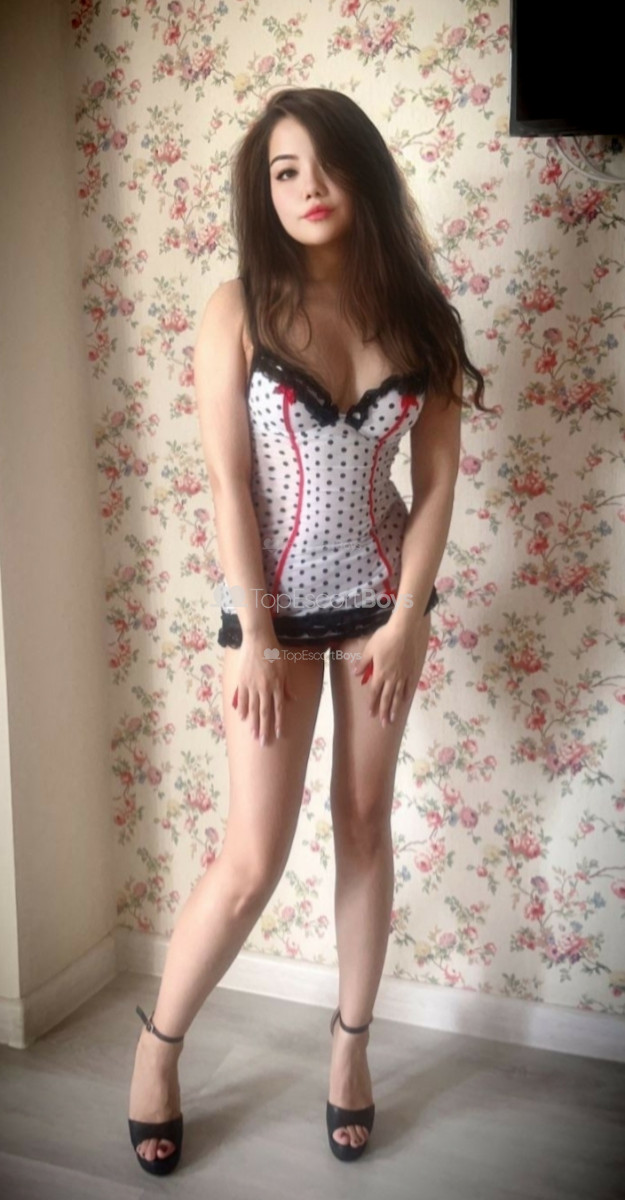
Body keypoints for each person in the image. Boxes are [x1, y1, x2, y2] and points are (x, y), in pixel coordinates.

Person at [128, 85, 486, 1177]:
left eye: (325, 164)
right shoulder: (235, 308)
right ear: (265, 190)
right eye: (285, 170)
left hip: (382, 607)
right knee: (251, 858)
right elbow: (229, 484)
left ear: (361, 172)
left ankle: (349, 1048)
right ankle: (157, 1049)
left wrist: (409, 619)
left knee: (364, 823)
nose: (308, 186)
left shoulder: (421, 313)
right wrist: (249, 630)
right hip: (268, 617)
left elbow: (435, 485)